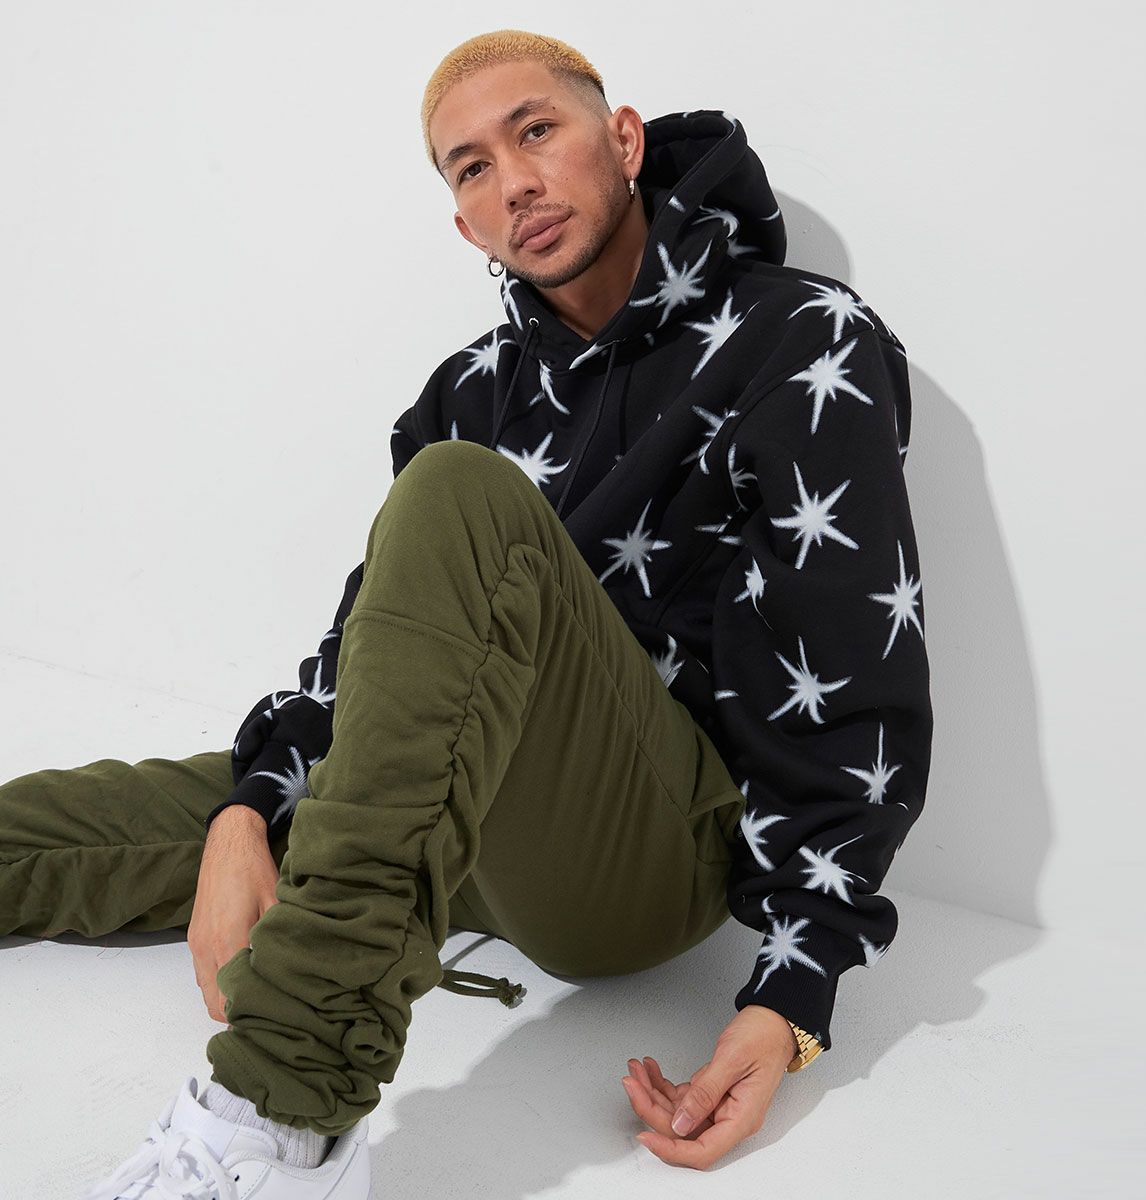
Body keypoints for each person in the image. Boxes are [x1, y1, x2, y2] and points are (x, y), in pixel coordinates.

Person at [1, 27, 933, 1193]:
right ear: (464, 224)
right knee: (58, 829)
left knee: (457, 490)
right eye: (474, 168)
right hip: (452, 800)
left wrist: (793, 998)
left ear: (623, 141)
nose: (516, 183)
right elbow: (369, 647)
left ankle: (284, 1112)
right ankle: (317, 888)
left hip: (649, 853)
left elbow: (853, 682)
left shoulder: (800, 341)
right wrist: (247, 810)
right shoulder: (471, 391)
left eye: (536, 131)